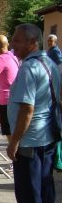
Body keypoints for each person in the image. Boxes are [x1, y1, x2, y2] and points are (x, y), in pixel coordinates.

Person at [4, 23, 61, 203]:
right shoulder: (50, 63)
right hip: (47, 137)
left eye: (17, 40)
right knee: (45, 189)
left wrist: (14, 141)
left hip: (30, 140)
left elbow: (27, 109)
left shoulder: (29, 68)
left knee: (29, 192)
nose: (13, 44)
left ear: (32, 42)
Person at [47, 35, 62, 171]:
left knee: (57, 128)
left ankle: (57, 160)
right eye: (48, 40)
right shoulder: (50, 51)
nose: (49, 42)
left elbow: (58, 70)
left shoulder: (56, 53)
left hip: (56, 94)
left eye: (51, 40)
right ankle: (56, 159)